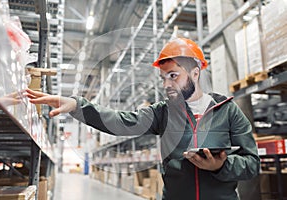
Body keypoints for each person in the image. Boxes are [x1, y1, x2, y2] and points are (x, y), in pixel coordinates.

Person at [25, 38, 260, 200]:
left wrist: (221, 166)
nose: (167, 84)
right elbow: (120, 121)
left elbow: (252, 164)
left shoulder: (228, 111)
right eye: (163, 78)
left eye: (173, 76)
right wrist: (78, 105)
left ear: (195, 73)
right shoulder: (163, 112)